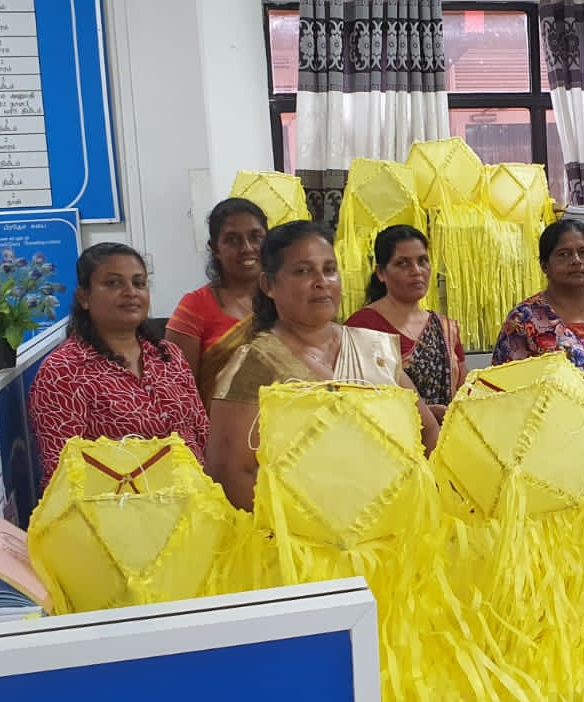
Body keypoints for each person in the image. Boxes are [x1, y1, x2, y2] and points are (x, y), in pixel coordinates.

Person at [205, 221, 441, 511]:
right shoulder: (254, 366)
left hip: (391, 534)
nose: (321, 281)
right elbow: (230, 474)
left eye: (329, 270)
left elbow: (428, 430)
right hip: (299, 544)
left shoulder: (374, 349)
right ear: (268, 285)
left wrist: (426, 502)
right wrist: (305, 532)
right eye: (303, 271)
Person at [29, 242, 208, 487]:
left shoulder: (169, 355)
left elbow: (202, 433)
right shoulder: (64, 371)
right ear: (84, 297)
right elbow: (64, 473)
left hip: (197, 504)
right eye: (113, 283)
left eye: (139, 283)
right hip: (117, 514)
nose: (130, 292)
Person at [345, 225, 466, 420]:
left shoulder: (446, 327)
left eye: (423, 261)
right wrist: (422, 414)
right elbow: (355, 400)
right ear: (381, 273)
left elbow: (462, 392)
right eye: (403, 263)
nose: (416, 271)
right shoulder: (363, 326)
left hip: (446, 438)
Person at [491, 219, 584, 381]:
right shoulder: (523, 319)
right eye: (564, 254)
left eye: (583, 252)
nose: (576, 260)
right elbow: (504, 385)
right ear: (544, 265)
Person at [165, 197, 269, 405]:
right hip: (218, 431)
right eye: (232, 240)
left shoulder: (286, 298)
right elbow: (178, 391)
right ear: (215, 248)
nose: (247, 248)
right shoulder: (194, 307)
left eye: (255, 237)